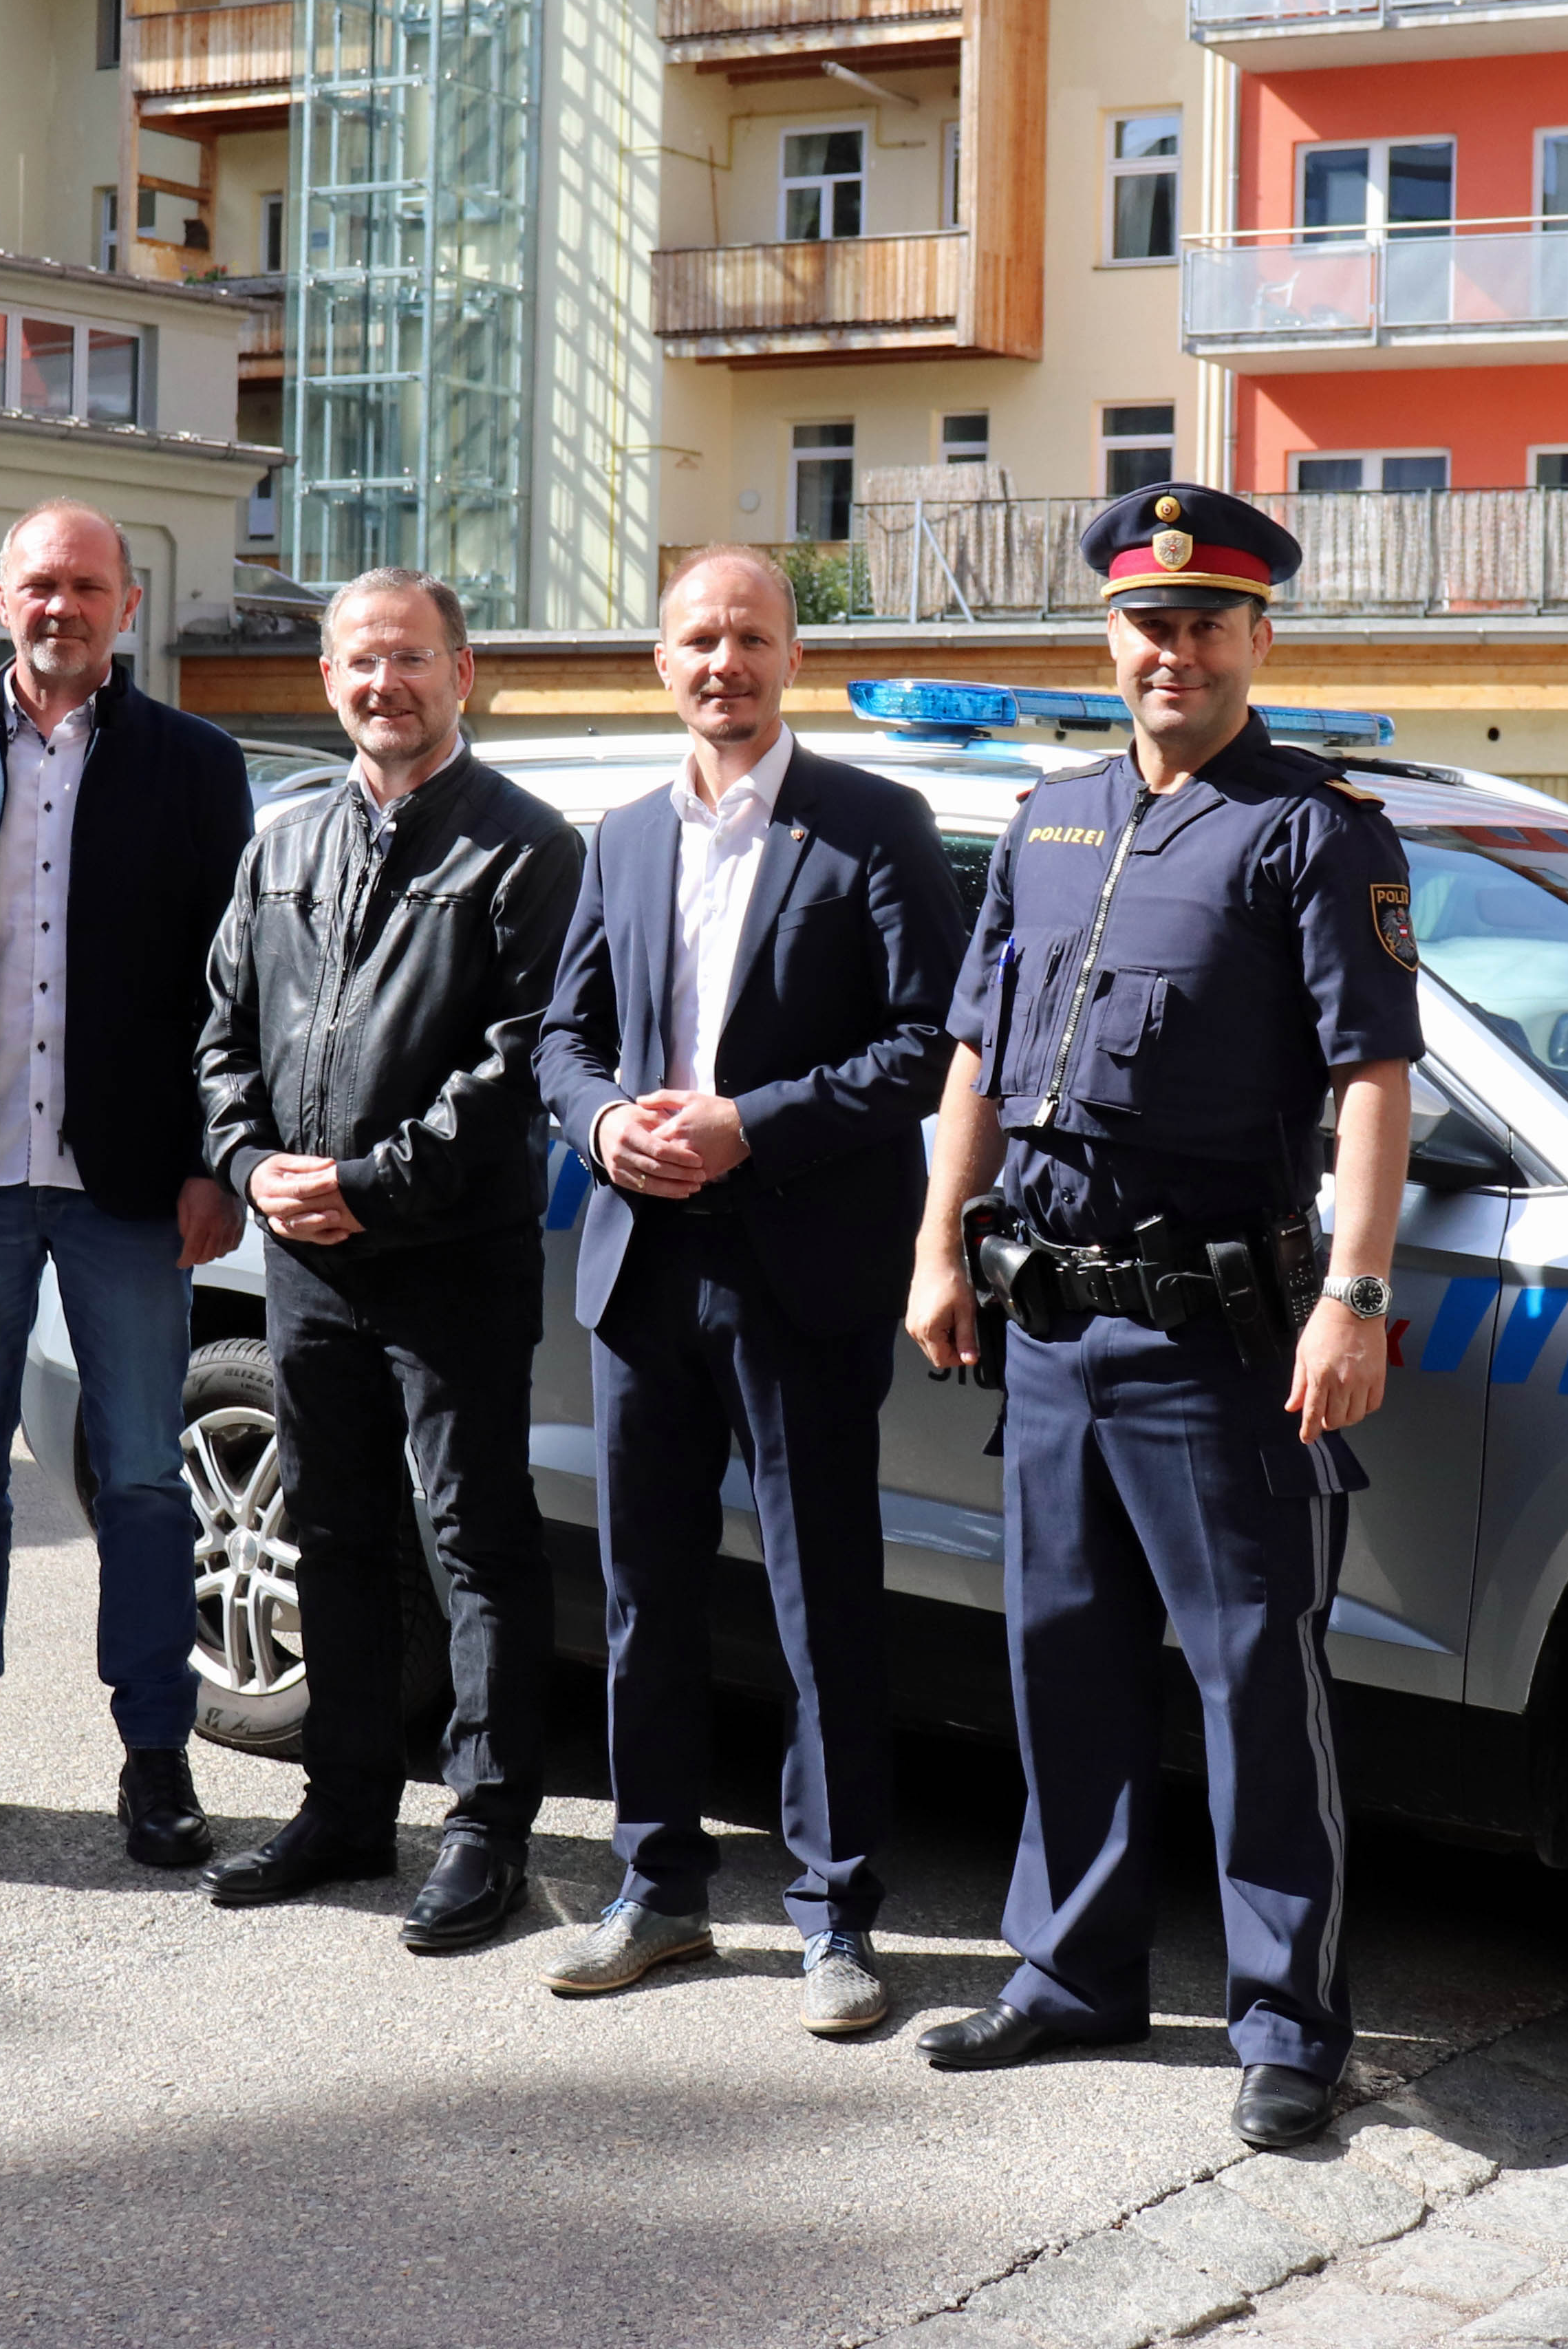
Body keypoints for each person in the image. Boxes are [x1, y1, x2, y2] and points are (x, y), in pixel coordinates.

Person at [902, 484, 1419, 2154]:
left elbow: (1372, 1077)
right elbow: (978, 1052)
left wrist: (1353, 1292)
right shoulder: (1051, 816)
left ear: (1260, 637)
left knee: (1253, 1678)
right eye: (1149, 622)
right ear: (1110, 638)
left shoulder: (1313, 829)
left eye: (1207, 622)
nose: (1173, 650)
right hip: (1048, 1322)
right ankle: (1075, 1966)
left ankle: (1287, 2019)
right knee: (1062, 1660)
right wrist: (938, 1244)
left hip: (1219, 1337)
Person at [532, 547, 967, 2035]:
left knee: (819, 1597)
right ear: (664, 662)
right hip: (645, 1259)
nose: (725, 661)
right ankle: (655, 1893)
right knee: (644, 1594)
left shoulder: (874, 825)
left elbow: (929, 1044)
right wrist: (602, 1121)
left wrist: (748, 1121)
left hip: (803, 1262)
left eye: (752, 637)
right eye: (699, 638)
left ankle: (836, 1913)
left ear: (795, 657)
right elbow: (563, 1032)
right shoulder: (626, 832)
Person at [0, 501, 255, 1868]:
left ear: (128, 607)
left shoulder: (195, 766)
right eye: (39, 585)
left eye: (88, 585)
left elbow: (227, 987)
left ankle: (156, 1757)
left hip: (131, 1184)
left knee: (142, 1471)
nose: (62, 605)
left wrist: (213, 1160)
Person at [195, 566, 581, 1944]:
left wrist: (369, 1182)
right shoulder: (284, 840)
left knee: (474, 1536)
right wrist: (252, 1166)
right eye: (360, 661)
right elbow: (223, 1029)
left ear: (460, 673)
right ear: (329, 679)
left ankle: (485, 1824)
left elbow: (519, 1060)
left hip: (449, 1254)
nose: (383, 684)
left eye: (410, 659)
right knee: (339, 1530)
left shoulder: (528, 848)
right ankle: (348, 1803)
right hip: (306, 1256)